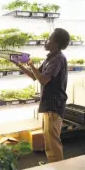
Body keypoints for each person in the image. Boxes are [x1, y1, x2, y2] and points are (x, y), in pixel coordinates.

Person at [13, 28, 70, 164]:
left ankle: (59, 167)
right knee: (48, 140)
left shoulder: (58, 59)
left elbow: (43, 80)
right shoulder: (51, 58)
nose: (46, 41)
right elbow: (35, 76)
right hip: (48, 105)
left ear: (56, 43)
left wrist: (31, 63)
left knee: (53, 141)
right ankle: (53, 165)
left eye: (49, 38)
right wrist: (20, 65)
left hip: (54, 106)